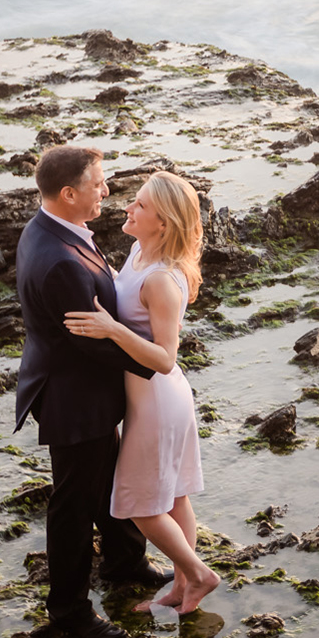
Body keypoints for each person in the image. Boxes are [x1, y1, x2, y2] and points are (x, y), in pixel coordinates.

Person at [14, 147, 172, 638]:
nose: (106, 191)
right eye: (99, 183)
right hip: (73, 395)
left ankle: (125, 564)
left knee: (106, 477)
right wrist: (154, 363)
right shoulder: (60, 261)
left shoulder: (48, 229)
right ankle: (69, 614)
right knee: (73, 506)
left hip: (73, 383)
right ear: (69, 193)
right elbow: (93, 343)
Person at [64, 170, 221, 614]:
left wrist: (112, 330)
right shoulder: (138, 253)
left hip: (157, 400)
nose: (128, 207)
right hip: (153, 398)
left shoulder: (162, 281)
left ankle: (199, 574)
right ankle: (178, 588)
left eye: (141, 205)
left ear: (164, 224)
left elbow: (165, 357)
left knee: (138, 504)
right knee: (172, 497)